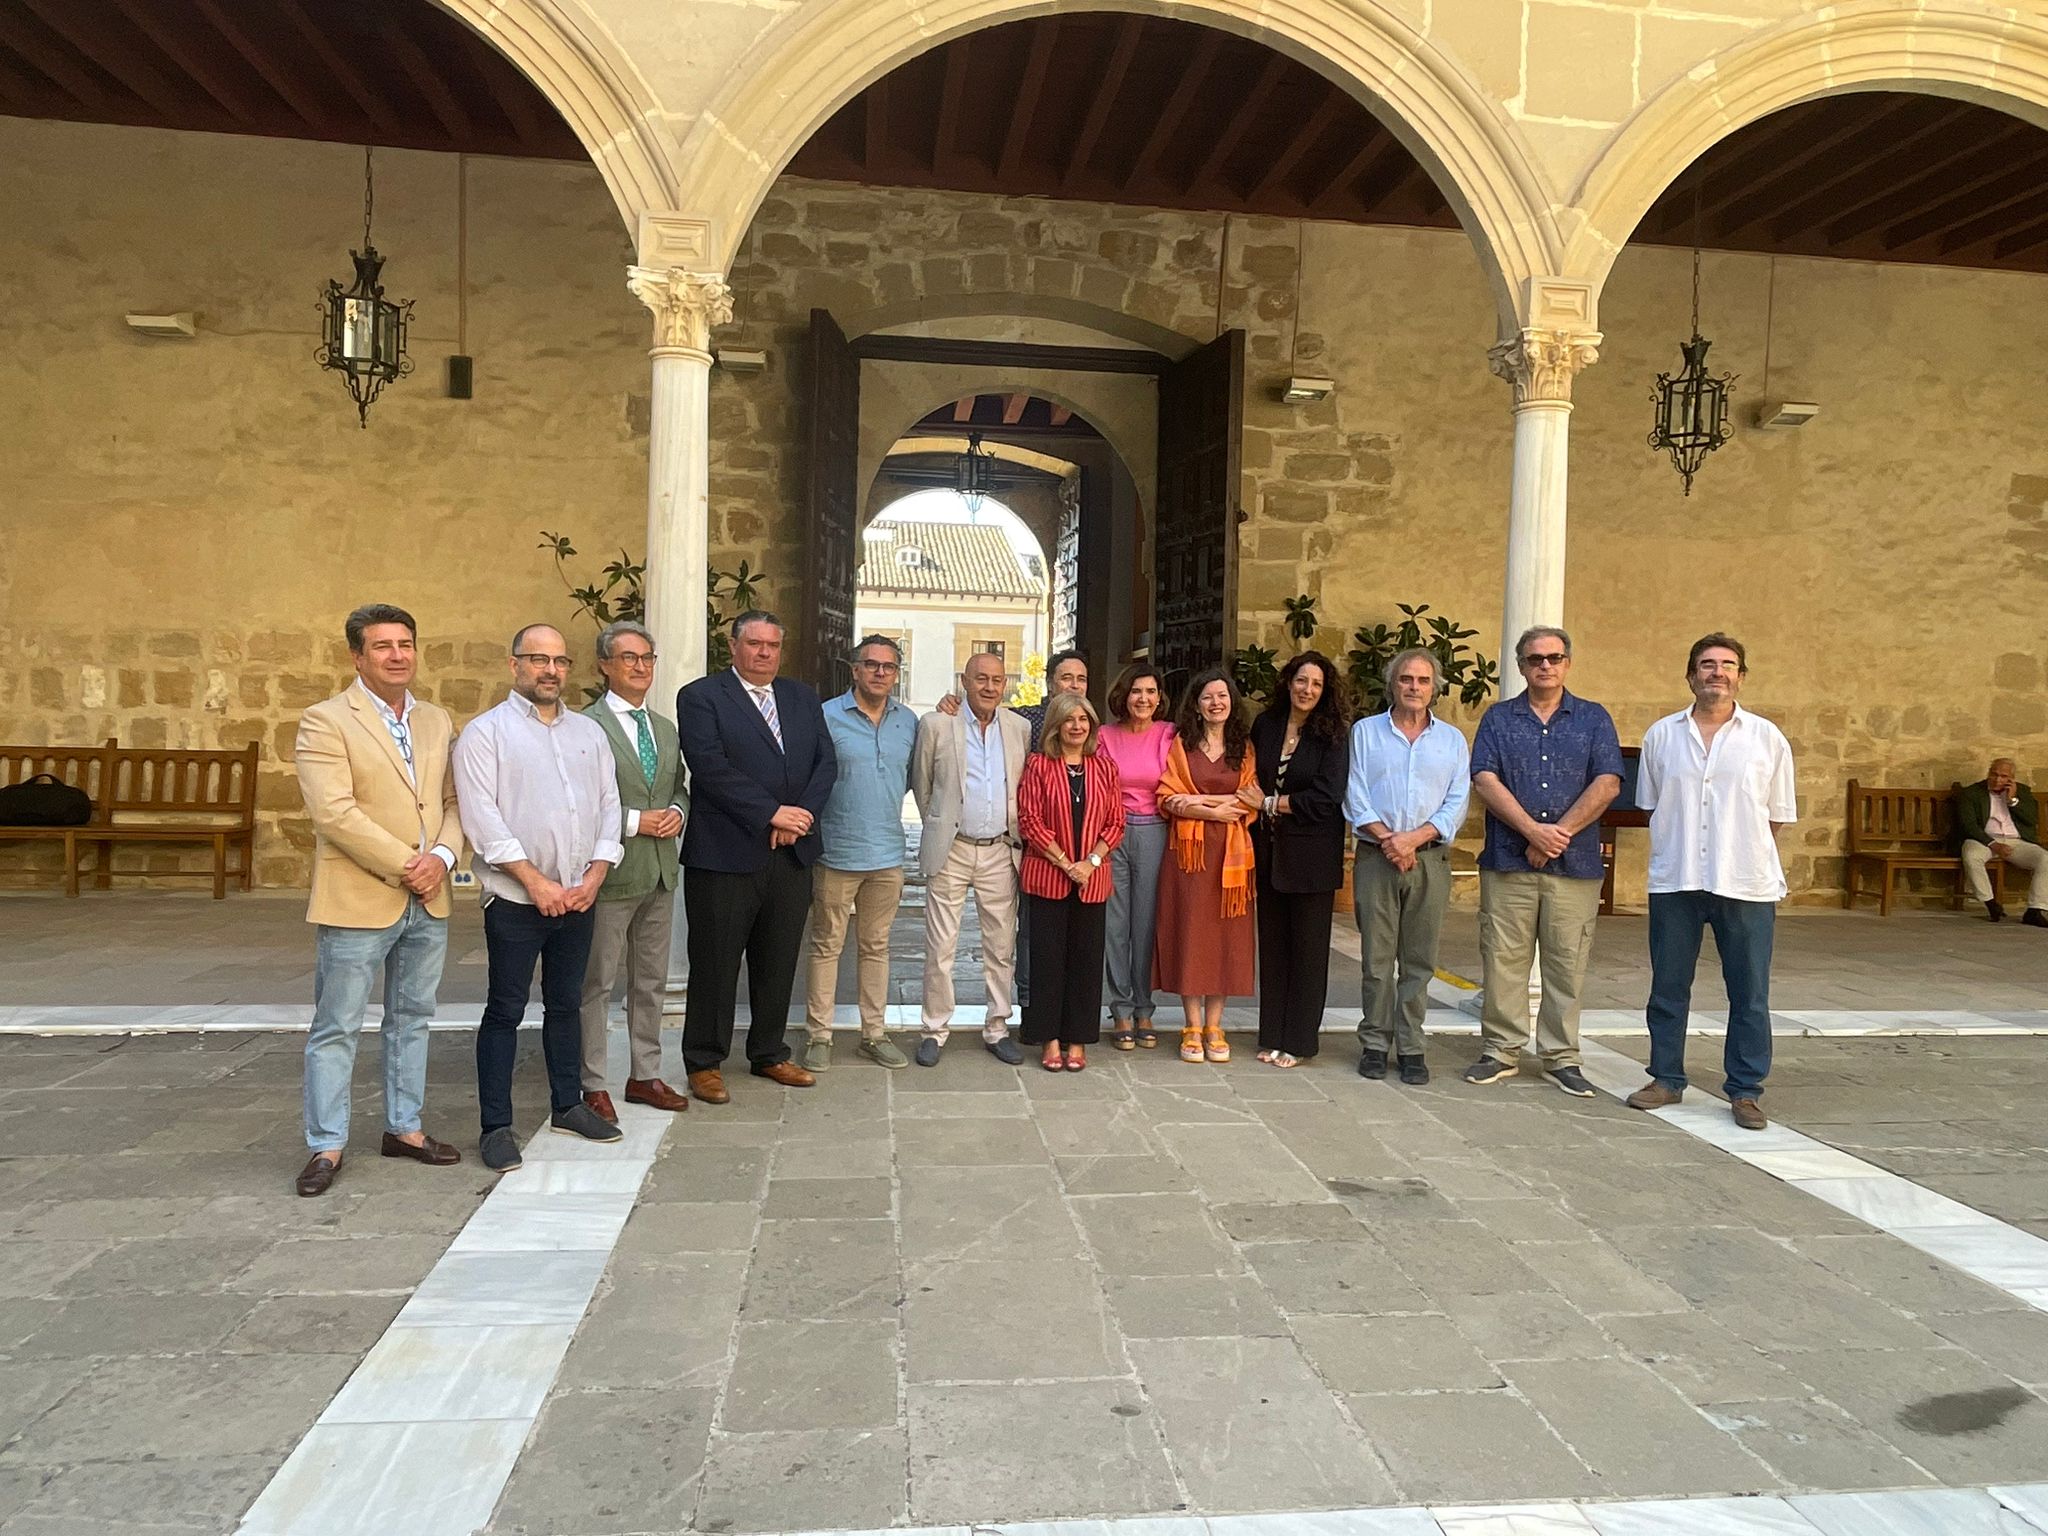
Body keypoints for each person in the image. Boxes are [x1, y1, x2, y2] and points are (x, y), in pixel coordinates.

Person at [291, 603, 466, 1197]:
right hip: (359, 896)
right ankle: (326, 1145)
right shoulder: (325, 720)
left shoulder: (438, 720)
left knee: (413, 1019)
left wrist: (441, 859)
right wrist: (408, 865)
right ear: (357, 656)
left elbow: (453, 801)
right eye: (383, 646)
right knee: (337, 1024)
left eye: (406, 644)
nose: (398, 655)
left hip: (430, 896)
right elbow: (334, 812)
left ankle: (405, 1129)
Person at [454, 623, 625, 1172]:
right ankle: (496, 1126)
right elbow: (483, 819)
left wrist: (597, 873)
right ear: (514, 666)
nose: (550, 670)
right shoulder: (486, 734)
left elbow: (608, 806)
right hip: (515, 900)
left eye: (559, 661)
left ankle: (567, 1104)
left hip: (578, 897)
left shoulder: (588, 733)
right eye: (537, 659)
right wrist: (535, 882)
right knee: (504, 1010)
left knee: (565, 1004)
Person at [1625, 633, 1797, 1132]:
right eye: (1706, 664)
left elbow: (1777, 817)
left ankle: (1745, 1090)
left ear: (1741, 676)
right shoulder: (1662, 736)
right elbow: (1654, 806)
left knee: (1749, 992)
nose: (1716, 672)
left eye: (1727, 664)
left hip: (1744, 882)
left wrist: (1738, 851)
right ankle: (1665, 1077)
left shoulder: (1767, 739)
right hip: (1676, 878)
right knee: (1668, 986)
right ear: (1690, 674)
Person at [676, 610, 837, 1104]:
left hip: (791, 855)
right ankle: (704, 1060)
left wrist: (800, 818)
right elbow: (710, 768)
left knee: (778, 958)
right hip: (725, 854)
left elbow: (825, 762)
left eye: (772, 645)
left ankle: (769, 1051)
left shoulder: (801, 697)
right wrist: (772, 814)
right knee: (715, 962)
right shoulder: (702, 697)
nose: (764, 653)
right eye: (754, 644)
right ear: (734, 646)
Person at [1461, 627, 1623, 1098]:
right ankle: (1500, 1049)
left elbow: (1608, 781)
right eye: (1535, 659)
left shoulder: (1593, 719)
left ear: (1567, 663)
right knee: (1503, 958)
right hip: (1509, 862)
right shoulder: (1498, 719)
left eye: (1554, 657)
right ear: (1521, 665)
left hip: (1574, 867)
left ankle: (1560, 1057)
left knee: (1566, 963)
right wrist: (1532, 832)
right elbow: (1484, 779)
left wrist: (1558, 836)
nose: (1545, 666)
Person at [575, 620, 690, 1122]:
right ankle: (592, 1082)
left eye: (647, 658)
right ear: (604, 665)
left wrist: (678, 813)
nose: (641, 667)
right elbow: (577, 804)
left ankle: (644, 1074)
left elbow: (679, 787)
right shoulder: (585, 727)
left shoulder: (664, 728)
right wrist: (633, 820)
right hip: (611, 874)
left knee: (651, 982)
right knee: (597, 982)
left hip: (661, 874)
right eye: (629, 658)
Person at [1344, 647, 1471, 1086]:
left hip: (1430, 859)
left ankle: (1412, 1045)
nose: (1414, 687)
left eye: (1422, 680)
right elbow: (1355, 794)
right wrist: (1390, 841)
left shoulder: (1452, 740)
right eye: (1406, 680)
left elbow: (1457, 801)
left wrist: (1413, 840)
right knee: (1377, 959)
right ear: (1392, 684)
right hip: (1377, 858)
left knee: (1419, 959)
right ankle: (1375, 1043)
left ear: (1435, 687)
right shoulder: (1365, 732)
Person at [939, 648, 1088, 1011]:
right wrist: (952, 704)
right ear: (1050, 683)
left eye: (1081, 679)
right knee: (1025, 929)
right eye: (1066, 677)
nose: (1073, 685)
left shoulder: (1091, 725)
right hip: (1033, 843)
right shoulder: (1024, 721)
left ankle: (1069, 1006)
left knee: (1070, 932)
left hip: (1082, 846)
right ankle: (1026, 1000)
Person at [910, 651, 1032, 1067]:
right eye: (981, 678)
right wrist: (942, 827)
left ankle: (998, 1027)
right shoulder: (937, 725)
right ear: (964, 679)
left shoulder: (1020, 728)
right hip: (953, 847)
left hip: (1001, 849)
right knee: (940, 945)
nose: (989, 687)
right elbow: (922, 786)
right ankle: (934, 1028)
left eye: (997, 680)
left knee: (1000, 946)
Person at [803, 635, 918, 1071]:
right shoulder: (825, 717)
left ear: (896, 673)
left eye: (888, 667)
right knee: (826, 945)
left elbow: (910, 778)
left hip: (888, 852)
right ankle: (819, 1036)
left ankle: (874, 1033)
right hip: (836, 852)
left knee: (877, 946)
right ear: (854, 669)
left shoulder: (908, 722)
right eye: (871, 665)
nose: (880, 673)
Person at [1247, 651, 1351, 1068]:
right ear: (1288, 682)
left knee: (1308, 954)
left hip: (1312, 858)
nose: (1307, 690)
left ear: (1325, 691)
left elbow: (1326, 798)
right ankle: (1272, 1033)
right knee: (1273, 949)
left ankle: (1299, 1041)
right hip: (1269, 854)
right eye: (1301, 681)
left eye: (1316, 684)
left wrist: (1272, 803)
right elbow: (1250, 781)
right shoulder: (1266, 725)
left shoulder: (1334, 735)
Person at [1017, 693, 1126, 1071]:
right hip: (1049, 876)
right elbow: (1030, 821)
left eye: (1084, 719)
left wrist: (1091, 861)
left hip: (1092, 879)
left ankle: (1077, 1039)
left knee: (1085, 961)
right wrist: (1067, 863)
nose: (1077, 726)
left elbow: (1116, 822)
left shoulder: (1105, 768)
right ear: (1056, 725)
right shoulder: (1038, 765)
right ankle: (1049, 1039)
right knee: (1047, 961)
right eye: (1069, 719)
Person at [1155, 668, 1258, 1064]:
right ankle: (1191, 1025)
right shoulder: (1181, 745)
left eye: (1223, 697)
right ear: (1195, 706)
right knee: (1191, 933)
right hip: (1189, 857)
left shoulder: (1244, 748)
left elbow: (1250, 799)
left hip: (1232, 856)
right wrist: (1218, 807)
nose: (1216, 703)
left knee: (1226, 938)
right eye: (1208, 697)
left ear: (1231, 704)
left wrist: (1199, 805)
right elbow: (1169, 796)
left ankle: (1216, 1025)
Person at [1099, 663, 1175, 1049]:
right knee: (1115, 924)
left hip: (1154, 831)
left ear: (1159, 698)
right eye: (1136, 691)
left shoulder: (1169, 735)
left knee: (1145, 924)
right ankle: (1120, 1009)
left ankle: (1145, 1006)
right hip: (1112, 832)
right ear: (1123, 696)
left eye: (1150, 692)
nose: (1143, 698)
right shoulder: (1104, 736)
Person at [1956, 758, 2047, 925]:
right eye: (1994, 774)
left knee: (2045, 859)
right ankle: (1991, 904)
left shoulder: (2023, 791)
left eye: (2003, 776)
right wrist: (1994, 844)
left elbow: (2031, 819)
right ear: (1988, 774)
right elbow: (1968, 825)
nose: (1998, 780)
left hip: (2015, 841)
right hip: (1984, 840)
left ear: (2011, 778)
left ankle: (2035, 910)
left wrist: (2012, 801)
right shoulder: (1972, 793)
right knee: (1971, 855)